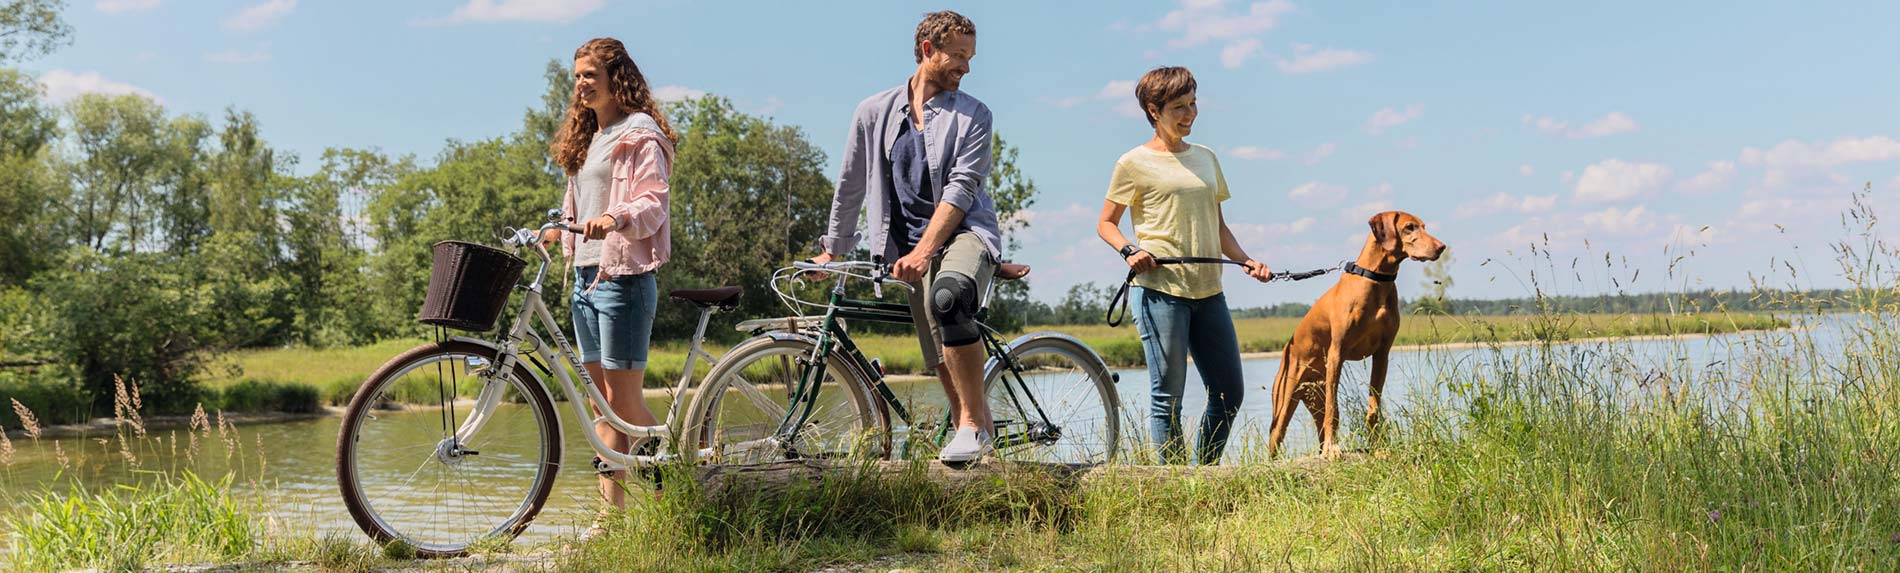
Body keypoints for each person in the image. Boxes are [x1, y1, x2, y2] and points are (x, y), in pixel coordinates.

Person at [812, 10, 1004, 464]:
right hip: (907, 246)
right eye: (958, 55)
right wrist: (833, 250)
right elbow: (851, 183)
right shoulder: (873, 112)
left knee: (948, 298)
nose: (966, 67)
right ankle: (977, 441)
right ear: (928, 50)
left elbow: (961, 190)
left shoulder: (974, 115)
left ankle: (972, 426)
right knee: (937, 352)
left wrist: (925, 251)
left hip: (963, 233)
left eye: (970, 57)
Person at [1095, 66, 1273, 465]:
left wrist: (1247, 260)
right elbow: (1106, 223)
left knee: (1229, 394)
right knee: (1168, 398)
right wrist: (1129, 251)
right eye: (1179, 107)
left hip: (1210, 292)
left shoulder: (1206, 158)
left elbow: (1219, 226)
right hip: (1160, 292)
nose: (1190, 113)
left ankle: (1202, 473)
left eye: (1193, 103)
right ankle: (1174, 483)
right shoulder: (1132, 163)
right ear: (1153, 110)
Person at [545, 37, 677, 512]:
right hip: (584, 277)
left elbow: (653, 202)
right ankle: (609, 517)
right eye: (577, 76)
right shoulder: (588, 138)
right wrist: (556, 230)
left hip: (623, 278)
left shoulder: (639, 133)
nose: (581, 84)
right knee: (601, 404)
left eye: (590, 75)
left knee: (623, 404)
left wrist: (615, 217)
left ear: (615, 78)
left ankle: (671, 493)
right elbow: (580, 202)